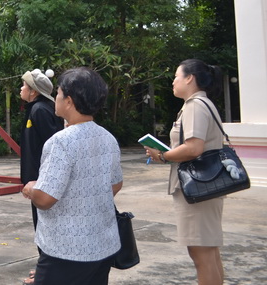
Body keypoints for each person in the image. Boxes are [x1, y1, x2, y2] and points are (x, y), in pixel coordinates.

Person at [21, 67, 123, 285]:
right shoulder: (108, 138)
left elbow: (46, 198)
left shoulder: (61, 142)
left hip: (65, 249)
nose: (55, 97)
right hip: (102, 245)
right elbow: (115, 184)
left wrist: (31, 189)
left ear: (68, 101)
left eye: (58, 93)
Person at [143, 59, 225, 285]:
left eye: (177, 76)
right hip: (205, 188)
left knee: (202, 255)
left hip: (198, 190)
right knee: (209, 253)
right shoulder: (201, 103)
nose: (173, 81)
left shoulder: (195, 105)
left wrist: (162, 155)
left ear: (189, 78)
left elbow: (194, 148)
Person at [18, 68, 63, 284]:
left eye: (25, 85)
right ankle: (45, 267)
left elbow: (53, 147)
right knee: (42, 226)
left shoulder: (40, 111)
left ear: (34, 91)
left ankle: (47, 272)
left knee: (45, 226)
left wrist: (41, 179)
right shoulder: (37, 108)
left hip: (42, 182)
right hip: (37, 180)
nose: (21, 88)